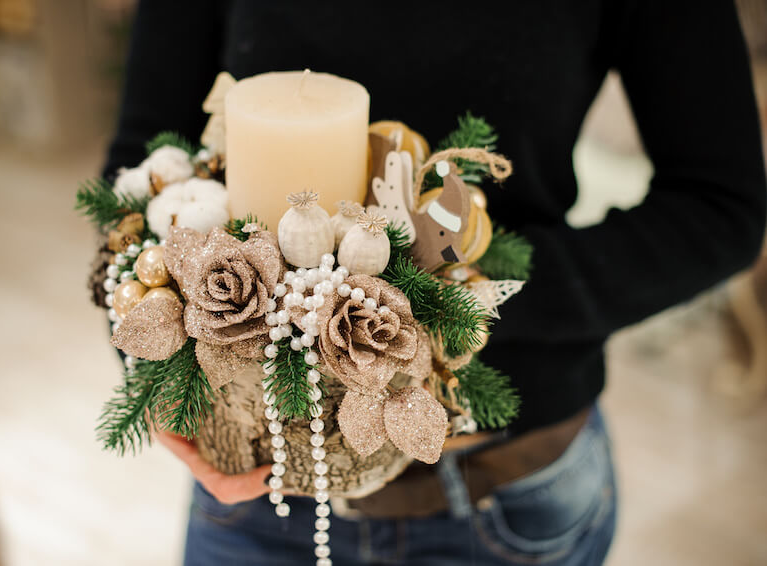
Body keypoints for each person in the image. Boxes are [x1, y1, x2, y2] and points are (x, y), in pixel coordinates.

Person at [103, 2, 767, 564]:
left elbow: (720, 208)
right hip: (259, 494)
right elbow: (140, 169)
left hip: (505, 498)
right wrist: (169, 375)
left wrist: (447, 307)